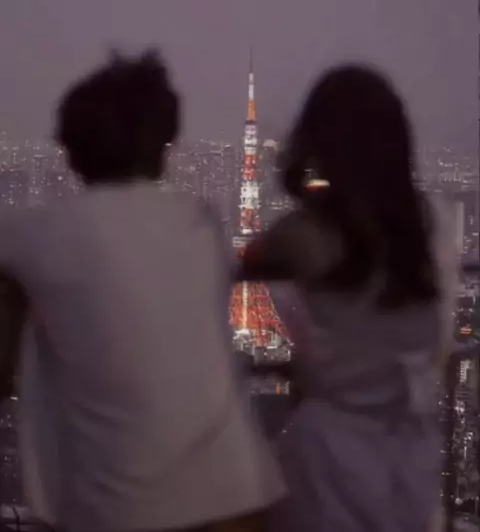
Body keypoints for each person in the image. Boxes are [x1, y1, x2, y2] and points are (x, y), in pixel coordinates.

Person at [0, 50, 284, 532]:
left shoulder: (45, 232)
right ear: (164, 144)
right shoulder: (200, 222)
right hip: (239, 499)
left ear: (70, 149)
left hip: (122, 510)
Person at [241, 64, 457, 532]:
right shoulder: (433, 222)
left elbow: (246, 258)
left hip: (329, 460)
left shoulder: (307, 232)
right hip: (413, 457)